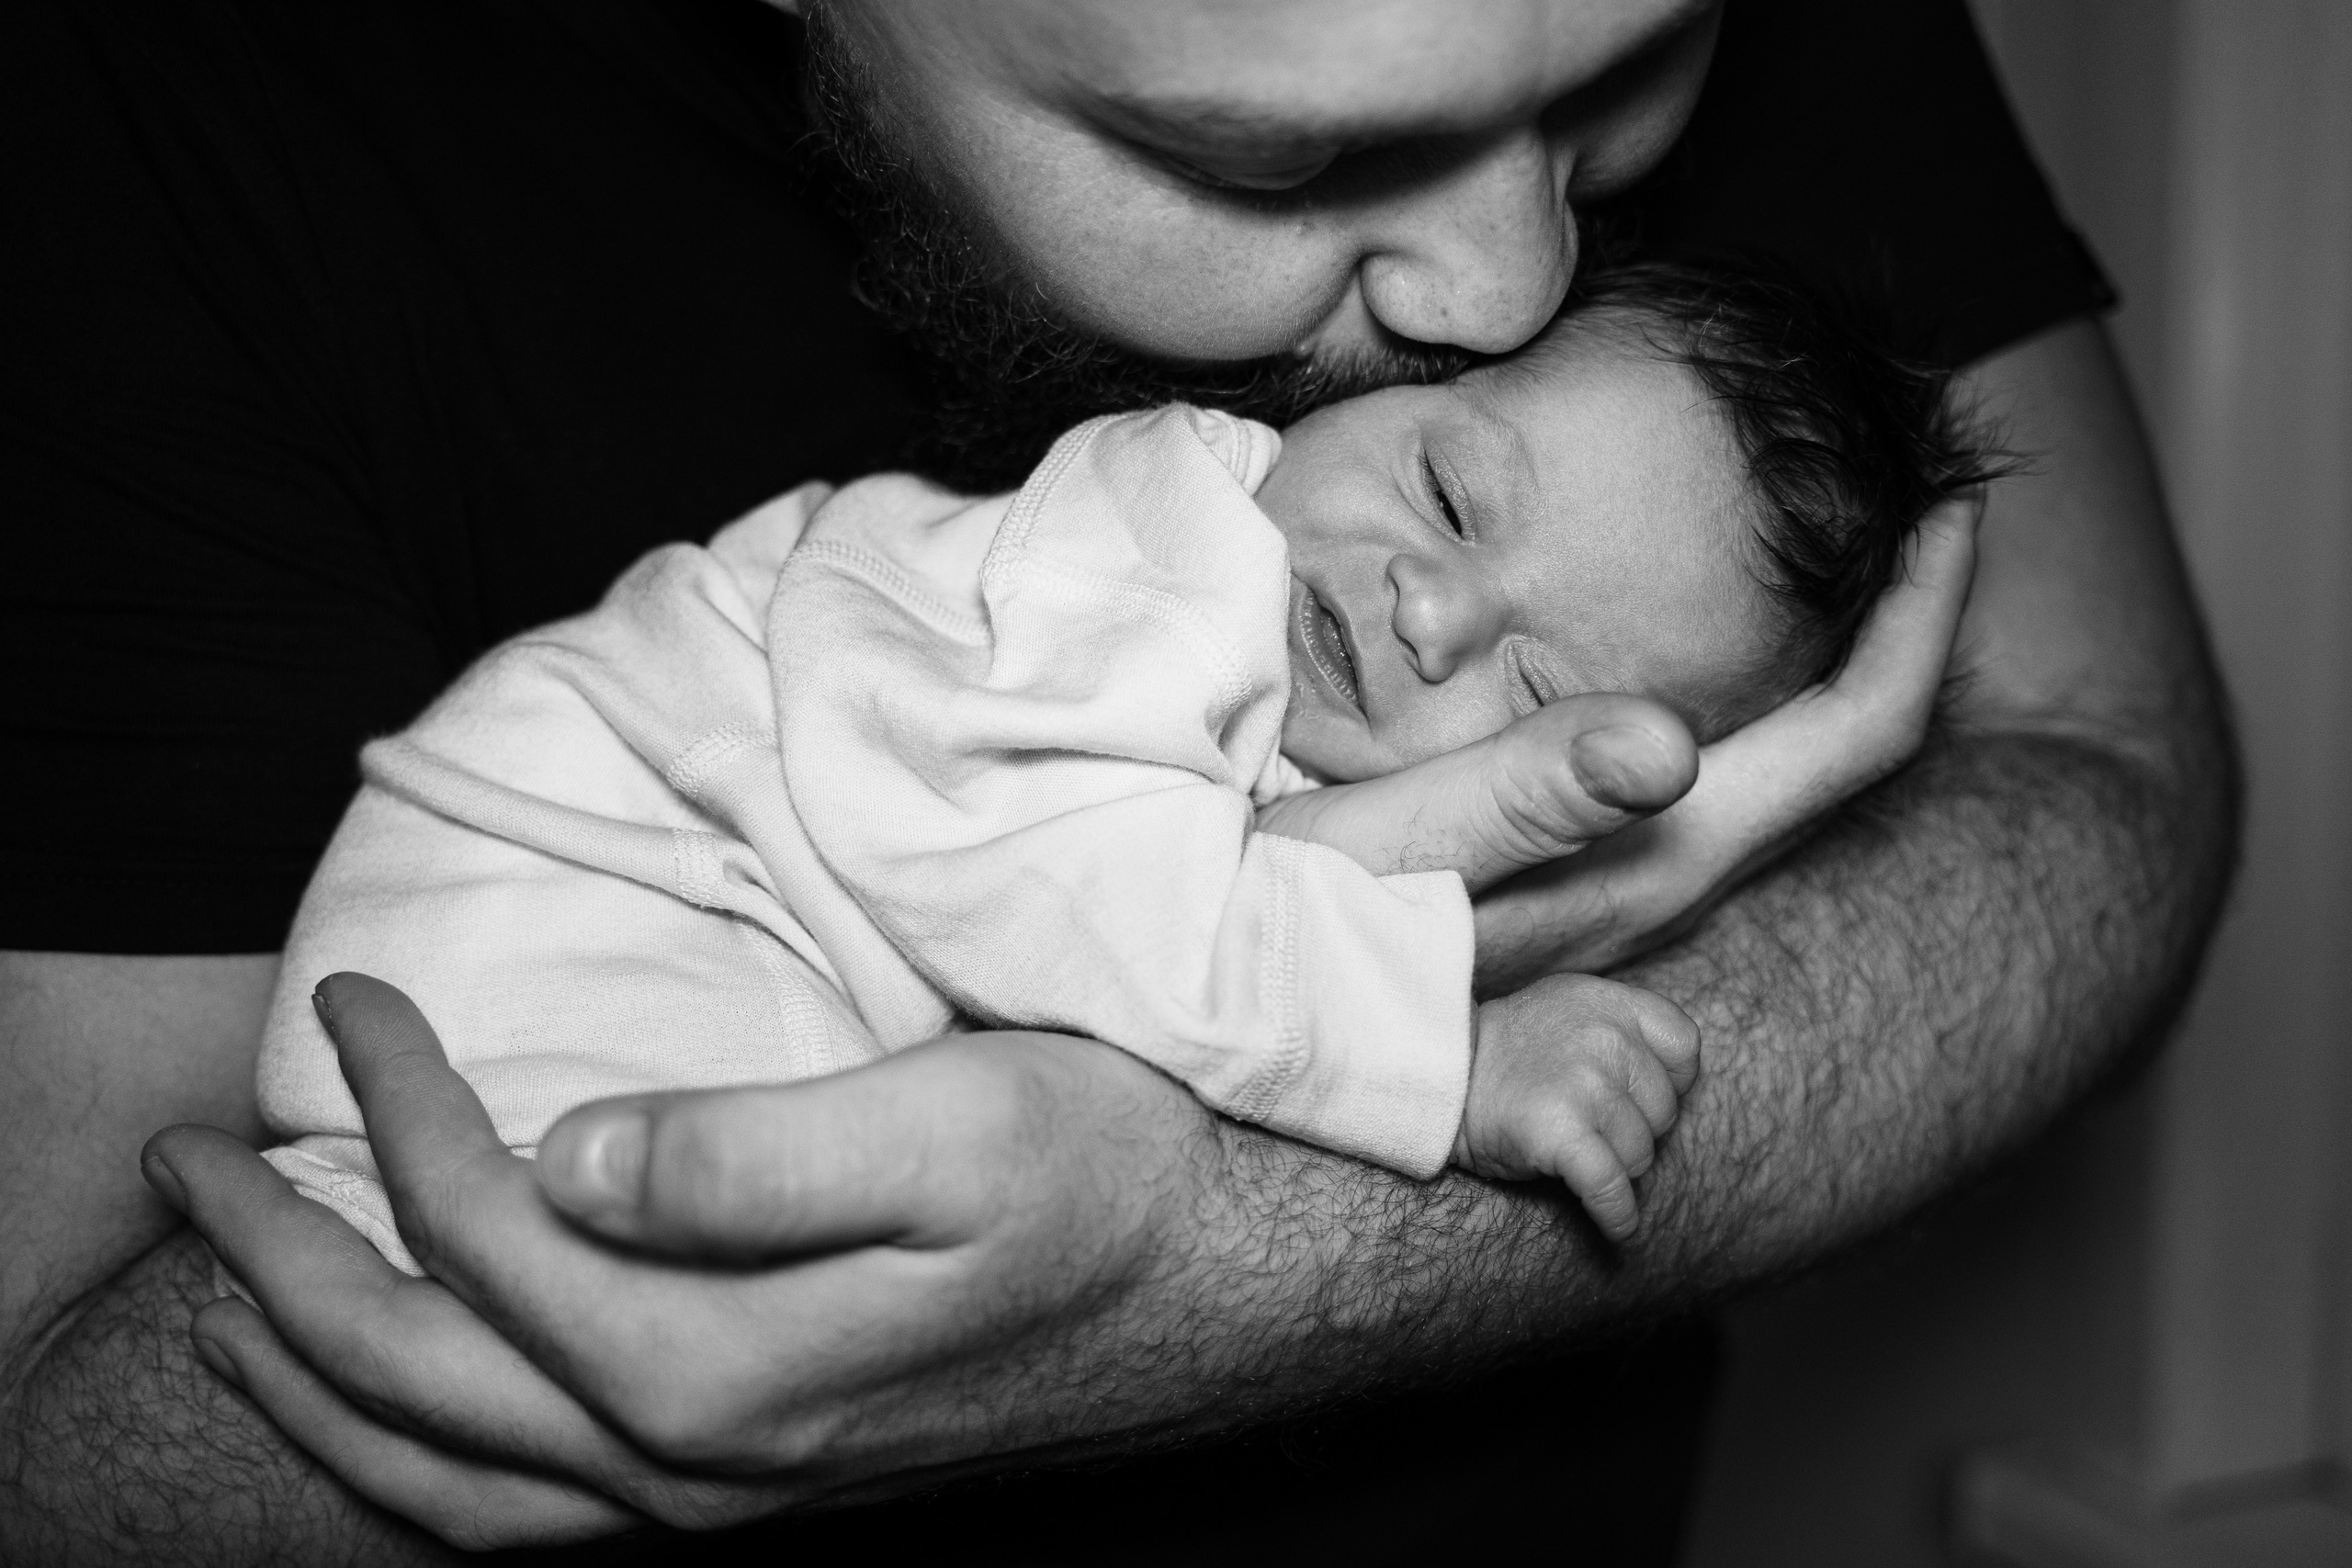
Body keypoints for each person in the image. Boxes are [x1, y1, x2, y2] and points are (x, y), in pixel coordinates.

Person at [0, 1, 2234, 1563]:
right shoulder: (1164, 518)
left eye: (1638, 67)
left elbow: (2102, 771)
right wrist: (1412, 1068)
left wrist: (1205, 1217)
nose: (1513, 281)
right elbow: (51, 1435)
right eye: (1272, 151)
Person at [251, 266, 1988, 1263]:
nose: (1434, 610)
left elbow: (1168, 929)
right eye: (1451, 493)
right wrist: (1440, 1068)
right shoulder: (1158, 532)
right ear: (1397, 374)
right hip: (558, 929)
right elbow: (1049, 901)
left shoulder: (1272, 720)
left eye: (1538, 685)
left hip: (646, 1017)